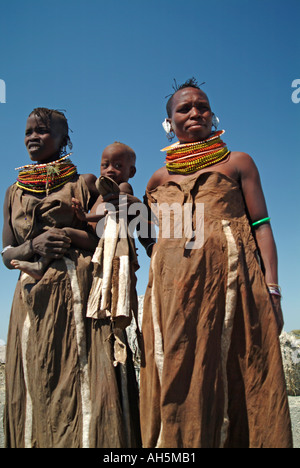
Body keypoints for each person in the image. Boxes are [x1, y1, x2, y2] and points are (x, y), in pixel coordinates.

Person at [140, 78, 293, 448]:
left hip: (235, 287)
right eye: (184, 108)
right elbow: (154, 237)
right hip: (174, 294)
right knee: (177, 371)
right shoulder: (160, 177)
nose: (195, 112)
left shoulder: (237, 162)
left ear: (213, 114)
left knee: (239, 370)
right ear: (168, 123)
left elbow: (261, 226)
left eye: (202, 106)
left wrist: (272, 288)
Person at [2, 108, 141, 448]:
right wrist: (33, 244)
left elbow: (105, 239)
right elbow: (7, 253)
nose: (32, 137)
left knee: (85, 382)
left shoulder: (85, 183)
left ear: (64, 139)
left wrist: (66, 233)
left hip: (79, 294)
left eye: (43, 132)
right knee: (37, 377)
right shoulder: (13, 192)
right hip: (31, 299)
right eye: (28, 132)